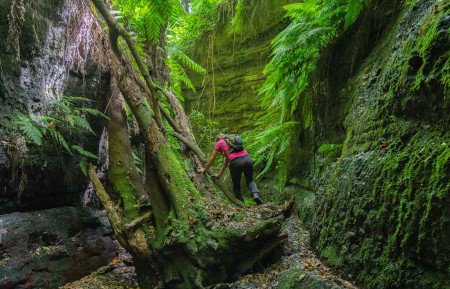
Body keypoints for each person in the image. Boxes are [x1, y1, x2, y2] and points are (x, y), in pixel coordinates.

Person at [198, 133, 263, 204]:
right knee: (250, 180)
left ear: (217, 139)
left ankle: (241, 204)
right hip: (247, 158)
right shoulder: (231, 141)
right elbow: (226, 161)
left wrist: (204, 170)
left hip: (236, 162)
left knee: (236, 186)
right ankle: (256, 195)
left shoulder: (219, 143)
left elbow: (211, 161)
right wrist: (218, 175)